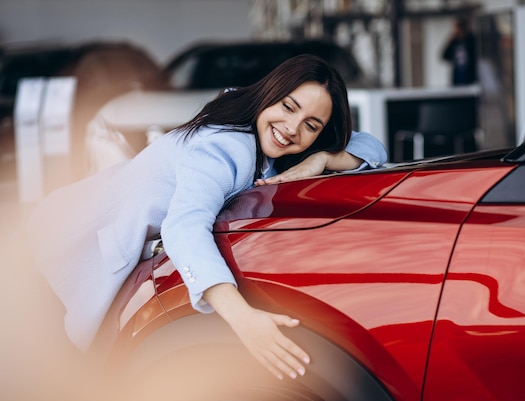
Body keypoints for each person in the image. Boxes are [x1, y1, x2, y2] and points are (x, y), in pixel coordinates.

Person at [28, 54, 387, 381]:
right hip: (63, 245)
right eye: (288, 107)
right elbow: (185, 227)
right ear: (269, 95)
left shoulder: (256, 122)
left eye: (311, 125)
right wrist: (242, 317)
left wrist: (321, 160)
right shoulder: (226, 147)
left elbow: (372, 147)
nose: (293, 128)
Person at [441, 17, 477, 86]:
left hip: (470, 78)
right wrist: (450, 40)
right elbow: (444, 56)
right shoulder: (454, 42)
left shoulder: (471, 40)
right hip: (457, 79)